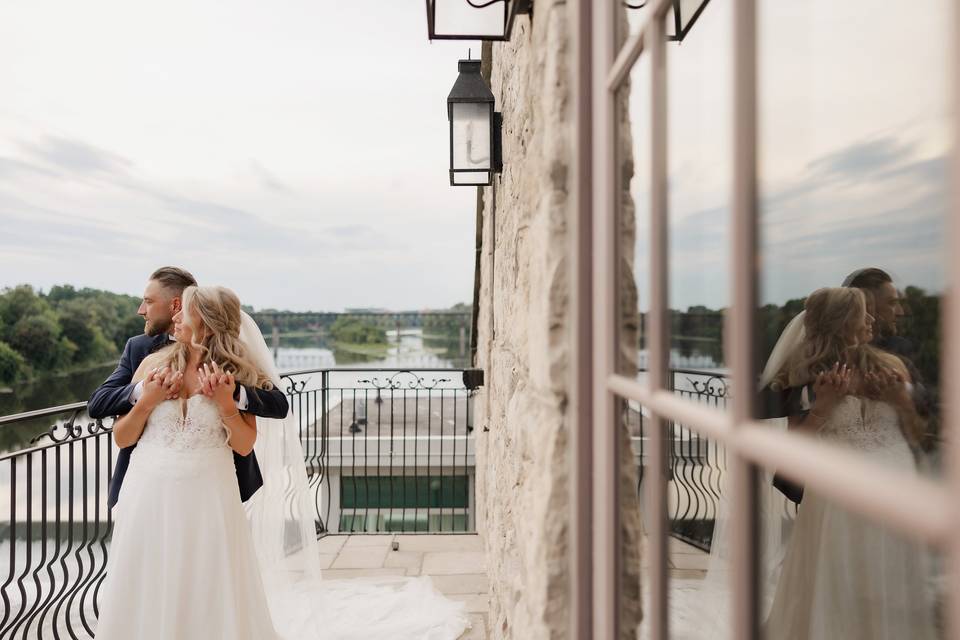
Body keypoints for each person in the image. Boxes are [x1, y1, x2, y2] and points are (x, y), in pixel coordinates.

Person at [94, 285, 469, 640]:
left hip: (208, 495)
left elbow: (244, 445)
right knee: (147, 575)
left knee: (208, 577)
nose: (174, 318)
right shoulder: (151, 366)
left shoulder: (234, 375)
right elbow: (123, 437)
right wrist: (146, 401)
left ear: (204, 322)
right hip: (148, 491)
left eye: (184, 311)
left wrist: (226, 405)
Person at [762, 287, 935, 640]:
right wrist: (823, 409)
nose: (872, 319)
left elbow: (919, 434)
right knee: (839, 583)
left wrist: (900, 400)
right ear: (842, 322)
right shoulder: (804, 377)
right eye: (863, 312)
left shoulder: (890, 367)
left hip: (897, 493)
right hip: (839, 501)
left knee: (891, 584)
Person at [87, 266, 288, 508]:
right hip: (147, 488)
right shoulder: (144, 355)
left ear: (181, 308)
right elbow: (99, 405)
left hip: (214, 489)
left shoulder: (234, 365)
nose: (141, 310)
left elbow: (277, 406)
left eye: (148, 302)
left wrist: (231, 395)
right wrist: (146, 393)